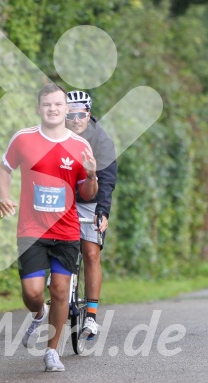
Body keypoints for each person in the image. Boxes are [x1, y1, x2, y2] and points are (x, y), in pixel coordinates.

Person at [0, 84, 98, 372]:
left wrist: (91, 175)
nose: (52, 109)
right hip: (31, 230)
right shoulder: (23, 139)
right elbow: (4, 168)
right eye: (47, 104)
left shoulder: (80, 146)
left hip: (66, 231)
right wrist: (4, 196)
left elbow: (89, 193)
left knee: (60, 290)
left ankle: (52, 351)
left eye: (57, 104)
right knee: (32, 293)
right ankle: (39, 313)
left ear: (67, 109)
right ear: (39, 108)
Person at [65, 90, 117, 340]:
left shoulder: (101, 140)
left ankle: (92, 316)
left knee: (91, 252)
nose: (75, 120)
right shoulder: (54, 135)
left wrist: (102, 211)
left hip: (90, 199)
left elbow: (107, 180)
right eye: (70, 114)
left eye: (80, 114)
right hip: (60, 197)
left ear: (89, 114)